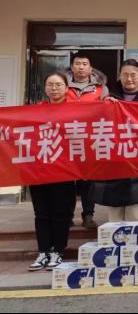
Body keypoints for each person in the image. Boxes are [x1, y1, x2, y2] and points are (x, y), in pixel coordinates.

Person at [89, 60, 138, 222]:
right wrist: (105, 107)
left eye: (133, 75)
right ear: (119, 76)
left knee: (135, 218)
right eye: (125, 75)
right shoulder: (108, 98)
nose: (129, 79)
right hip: (115, 165)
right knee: (115, 219)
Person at [28, 73, 76, 271]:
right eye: (50, 85)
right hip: (38, 171)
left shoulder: (77, 111)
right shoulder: (34, 111)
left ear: (66, 88)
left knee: (60, 213)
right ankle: (43, 251)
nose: (54, 88)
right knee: (41, 214)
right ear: (45, 88)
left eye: (58, 85)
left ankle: (58, 250)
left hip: (64, 171)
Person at [64, 51, 109, 229]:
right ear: (72, 66)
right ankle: (67, 216)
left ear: (90, 68)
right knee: (67, 182)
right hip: (66, 141)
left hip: (90, 142)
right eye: (77, 64)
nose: (81, 67)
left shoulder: (101, 88)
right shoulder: (61, 85)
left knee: (88, 182)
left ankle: (88, 215)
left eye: (84, 64)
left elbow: (107, 112)